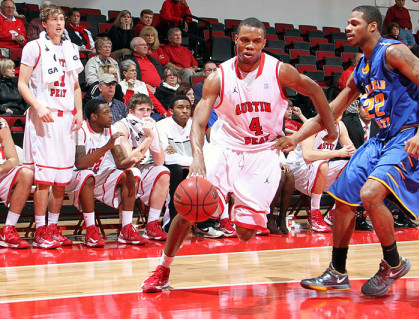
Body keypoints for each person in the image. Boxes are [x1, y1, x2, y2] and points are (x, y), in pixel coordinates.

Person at [141, 17, 337, 293]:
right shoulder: (218, 76)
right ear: (236, 40)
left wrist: (329, 128)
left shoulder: (280, 71)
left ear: (264, 44)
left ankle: (234, 206)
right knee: (189, 206)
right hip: (225, 147)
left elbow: (316, 90)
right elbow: (198, 122)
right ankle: (163, 268)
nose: (249, 46)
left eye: (256, 41)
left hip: (262, 152)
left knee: (245, 232)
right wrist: (198, 156)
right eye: (244, 39)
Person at [277, 6, 419, 297]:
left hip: (408, 135)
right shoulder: (361, 69)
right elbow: (330, 112)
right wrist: (296, 138)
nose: (348, 28)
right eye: (347, 22)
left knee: (369, 195)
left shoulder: (392, 52)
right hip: (383, 139)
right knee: (342, 199)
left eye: (355, 23)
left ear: (374, 27)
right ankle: (337, 271)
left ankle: (393, 262)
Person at [18, 4, 84, 249]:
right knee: (44, 178)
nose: (59, 23)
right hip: (44, 117)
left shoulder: (70, 47)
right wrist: (38, 106)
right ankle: (40, 229)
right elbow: (22, 85)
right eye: (54, 19)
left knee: (61, 179)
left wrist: (78, 113)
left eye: (62, 19)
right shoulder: (33, 47)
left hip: (66, 119)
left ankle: (53, 227)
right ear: (44, 24)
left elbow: (75, 86)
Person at [66, 99, 148, 245]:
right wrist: (106, 147)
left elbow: (120, 163)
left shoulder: (112, 130)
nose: (111, 116)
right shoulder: (81, 130)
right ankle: (91, 230)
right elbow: (80, 163)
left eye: (110, 112)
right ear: (94, 117)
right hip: (75, 177)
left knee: (131, 173)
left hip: (99, 176)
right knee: (87, 175)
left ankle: (126, 229)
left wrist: (133, 159)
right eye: (106, 112)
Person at [114, 93, 170, 241]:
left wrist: (154, 136)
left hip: (140, 168)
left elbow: (159, 161)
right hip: (118, 170)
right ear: (131, 112)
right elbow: (129, 160)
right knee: (133, 172)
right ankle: (125, 228)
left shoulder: (150, 127)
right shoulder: (121, 126)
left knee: (164, 172)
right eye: (141, 109)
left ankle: (151, 225)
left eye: (148, 110)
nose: (145, 114)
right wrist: (149, 138)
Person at [286, 117, 355, 233]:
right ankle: (314, 215)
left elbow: (352, 151)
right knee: (322, 165)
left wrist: (361, 159)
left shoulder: (340, 126)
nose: (337, 119)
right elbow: (307, 156)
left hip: (320, 171)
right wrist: (337, 153)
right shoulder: (311, 124)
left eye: (340, 115)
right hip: (298, 171)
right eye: (334, 115)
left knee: (352, 168)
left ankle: (333, 213)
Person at [0, 117, 34, 249]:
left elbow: (13, 159)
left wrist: (1, 168)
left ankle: (8, 229)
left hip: (2, 173)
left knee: (26, 173)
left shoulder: (1, 123)